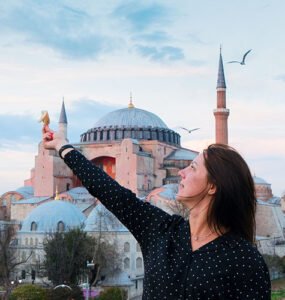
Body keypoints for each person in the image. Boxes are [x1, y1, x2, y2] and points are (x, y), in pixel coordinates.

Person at [43, 126, 271, 300]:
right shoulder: (161, 231)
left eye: (192, 168)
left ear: (213, 186)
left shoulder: (243, 259)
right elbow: (109, 191)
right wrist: (63, 146)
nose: (181, 172)